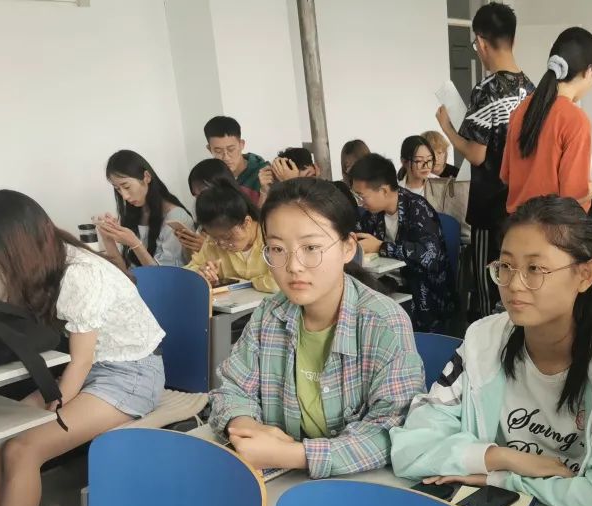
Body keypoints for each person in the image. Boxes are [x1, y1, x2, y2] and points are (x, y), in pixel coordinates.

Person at [390, 195, 592, 506]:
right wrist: (504, 458)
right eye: (506, 267)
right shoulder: (484, 340)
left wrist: (499, 478)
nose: (514, 285)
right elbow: (411, 448)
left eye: (535, 269)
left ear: (585, 275)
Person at [0, 190, 165, 506]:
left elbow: (79, 363)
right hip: (91, 369)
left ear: (15, 246)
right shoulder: (46, 262)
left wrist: (51, 407)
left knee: (23, 448)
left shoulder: (79, 274)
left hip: (130, 375)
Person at [210, 178, 423, 480]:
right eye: (277, 248)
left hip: (364, 484)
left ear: (348, 248)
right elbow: (231, 388)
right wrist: (244, 425)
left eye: (311, 247)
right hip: (283, 484)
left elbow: (392, 429)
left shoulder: (384, 323)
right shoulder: (269, 315)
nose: (293, 266)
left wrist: (294, 455)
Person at [434, 1, 535, 322]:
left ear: (480, 42)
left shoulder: (487, 90)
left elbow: (477, 154)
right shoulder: (532, 90)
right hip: (523, 205)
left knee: (488, 287)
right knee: (519, 285)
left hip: (490, 207)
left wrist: (447, 128)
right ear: (513, 39)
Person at [501, 27, 592, 213]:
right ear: (589, 71)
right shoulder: (575, 120)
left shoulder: (521, 109)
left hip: (517, 225)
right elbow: (574, 195)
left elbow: (506, 176)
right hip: (554, 227)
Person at [349, 153, 454, 332]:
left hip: (422, 294)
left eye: (361, 196)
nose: (360, 203)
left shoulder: (418, 209)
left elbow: (430, 255)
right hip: (387, 282)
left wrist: (381, 247)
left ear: (383, 191)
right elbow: (358, 235)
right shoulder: (372, 214)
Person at [96, 150, 193, 268]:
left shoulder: (176, 217)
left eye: (127, 186)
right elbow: (124, 273)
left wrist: (135, 244)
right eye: (117, 189)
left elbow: (163, 276)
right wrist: (108, 238)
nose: (124, 196)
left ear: (146, 177)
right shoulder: (134, 213)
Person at [186, 180, 278, 292]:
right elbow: (188, 271)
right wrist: (201, 273)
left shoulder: (272, 236)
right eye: (214, 238)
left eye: (227, 237)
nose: (221, 244)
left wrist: (250, 283)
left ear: (246, 223)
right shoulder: (212, 242)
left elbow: (277, 283)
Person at [204, 115, 268, 194]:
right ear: (209, 149)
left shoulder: (264, 174)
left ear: (241, 144)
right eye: (218, 151)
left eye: (231, 149)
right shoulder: (209, 178)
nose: (226, 157)